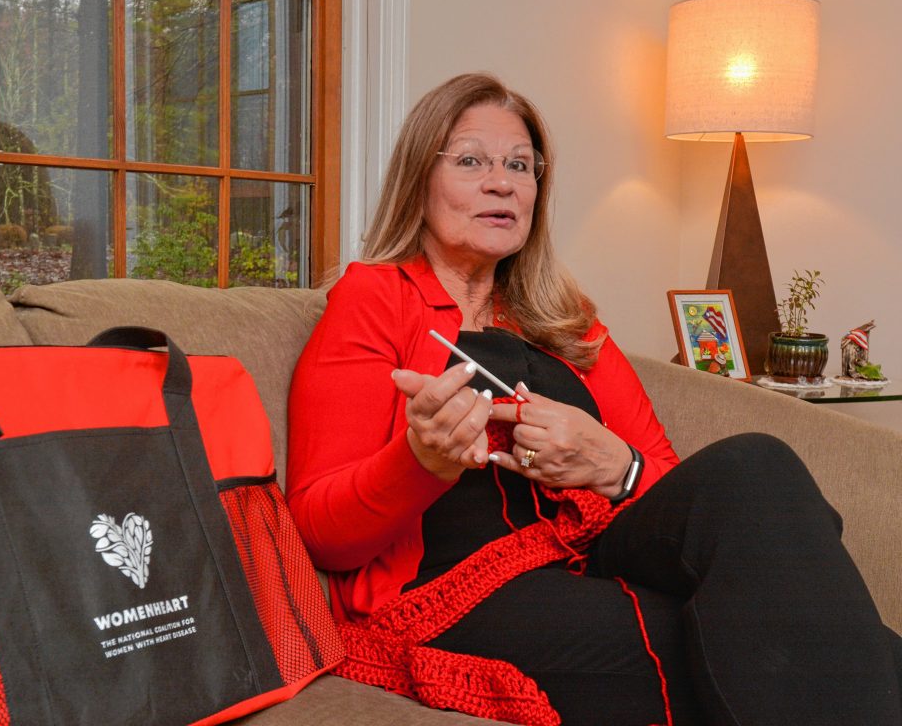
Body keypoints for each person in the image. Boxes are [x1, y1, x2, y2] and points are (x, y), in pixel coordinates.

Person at [286, 73, 902, 726]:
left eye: (520, 165)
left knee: (756, 466)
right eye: (471, 161)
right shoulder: (376, 298)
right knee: (795, 636)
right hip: (460, 588)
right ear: (420, 180)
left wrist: (616, 467)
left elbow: (669, 479)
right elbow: (319, 529)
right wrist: (422, 461)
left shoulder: (564, 318)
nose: (503, 182)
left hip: (595, 551)